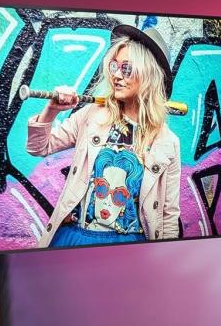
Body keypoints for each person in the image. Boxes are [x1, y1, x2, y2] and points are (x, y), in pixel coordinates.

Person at [26, 25, 181, 248]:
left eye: (127, 68)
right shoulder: (91, 116)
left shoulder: (167, 143)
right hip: (77, 238)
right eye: (115, 66)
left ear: (148, 75)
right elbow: (38, 147)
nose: (116, 75)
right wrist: (51, 110)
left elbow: (169, 214)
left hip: (132, 247)